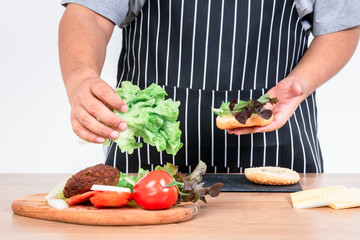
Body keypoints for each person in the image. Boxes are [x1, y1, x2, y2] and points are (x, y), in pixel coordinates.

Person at [59, 0, 360, 174]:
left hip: (276, 152)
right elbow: (88, 13)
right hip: (147, 167)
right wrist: (81, 78)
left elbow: (341, 26)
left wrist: (301, 82)